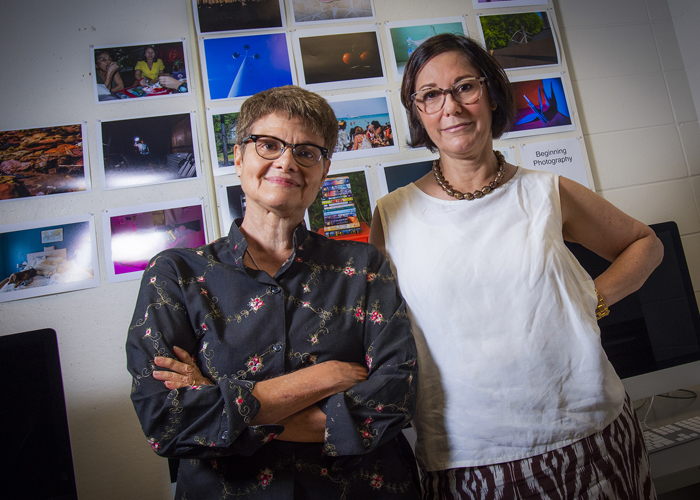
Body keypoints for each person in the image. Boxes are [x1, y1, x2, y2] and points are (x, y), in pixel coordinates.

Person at [369, 33, 663, 499]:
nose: (451, 107)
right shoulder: (392, 215)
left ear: (490, 93)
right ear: (418, 112)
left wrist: (593, 300)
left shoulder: (545, 191)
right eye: (430, 95)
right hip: (469, 458)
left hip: (590, 434)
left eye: (465, 86)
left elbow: (645, 244)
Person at [126, 85, 420, 500]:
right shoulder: (175, 275)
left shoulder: (364, 267)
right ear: (239, 157)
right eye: (268, 145)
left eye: (306, 151)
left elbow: (395, 399)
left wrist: (223, 404)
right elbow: (167, 423)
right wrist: (322, 379)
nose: (286, 161)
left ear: (324, 168)